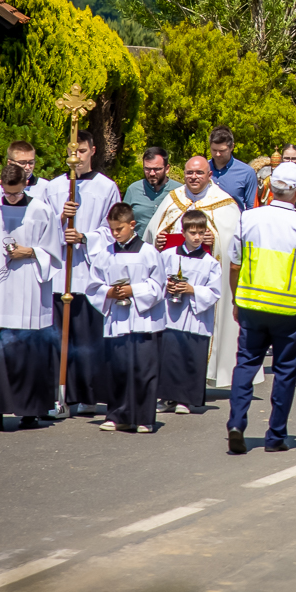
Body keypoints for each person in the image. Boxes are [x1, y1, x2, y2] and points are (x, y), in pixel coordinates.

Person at [225, 165, 296, 455]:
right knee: (284, 372)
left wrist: (236, 299)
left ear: (269, 187)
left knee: (245, 365)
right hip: (288, 309)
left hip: (252, 305)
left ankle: (236, 422)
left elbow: (234, 265)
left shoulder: (248, 218)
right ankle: (275, 435)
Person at [0, 161, 61, 432]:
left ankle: (30, 411)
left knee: (29, 352)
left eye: (17, 193)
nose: (11, 198)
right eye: (7, 193)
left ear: (26, 185)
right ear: (0, 185)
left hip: (30, 288)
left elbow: (55, 253)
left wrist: (30, 252)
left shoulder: (41, 211)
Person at [144, 154, 247, 387]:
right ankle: (169, 385)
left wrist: (216, 238)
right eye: (189, 172)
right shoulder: (173, 199)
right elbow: (152, 233)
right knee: (171, 336)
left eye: (199, 172)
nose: (193, 177)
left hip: (203, 284)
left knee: (196, 336)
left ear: (209, 175)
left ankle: (198, 380)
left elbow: (235, 245)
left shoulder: (224, 203)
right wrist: (158, 241)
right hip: (172, 286)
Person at [40, 135, 121, 416]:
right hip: (60, 272)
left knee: (87, 337)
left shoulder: (106, 187)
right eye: (74, 152)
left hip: (88, 273)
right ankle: (59, 395)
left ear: (93, 151)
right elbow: (40, 228)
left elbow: (113, 229)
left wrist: (84, 236)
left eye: (84, 151)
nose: (79, 157)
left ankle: (87, 394)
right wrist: (61, 219)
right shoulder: (54, 187)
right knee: (59, 337)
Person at [84, 202, 165, 434]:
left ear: (132, 225)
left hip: (144, 320)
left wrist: (133, 291)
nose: (115, 233)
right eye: (112, 229)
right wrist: (110, 292)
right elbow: (93, 284)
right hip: (118, 319)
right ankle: (118, 414)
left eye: (119, 228)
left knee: (143, 370)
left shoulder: (149, 252)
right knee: (117, 369)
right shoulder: (105, 254)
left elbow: (159, 286)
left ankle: (144, 418)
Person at [158, 208, 221, 414]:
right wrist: (167, 287)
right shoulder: (167, 255)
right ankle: (167, 398)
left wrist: (192, 289)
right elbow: (155, 281)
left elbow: (215, 291)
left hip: (196, 317)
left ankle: (184, 400)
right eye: (192, 233)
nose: (197, 237)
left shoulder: (210, 262)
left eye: (201, 233)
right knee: (170, 357)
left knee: (190, 356)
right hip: (172, 314)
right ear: (183, 232)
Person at [123, 146, 182, 232]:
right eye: (147, 169)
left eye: (157, 169)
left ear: (167, 169)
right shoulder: (133, 190)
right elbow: (123, 221)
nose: (152, 173)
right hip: (139, 244)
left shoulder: (179, 190)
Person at [207, 127, 260, 210]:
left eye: (222, 151)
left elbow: (252, 208)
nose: (217, 154)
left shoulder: (247, 173)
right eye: (214, 150)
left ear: (232, 147)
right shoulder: (201, 170)